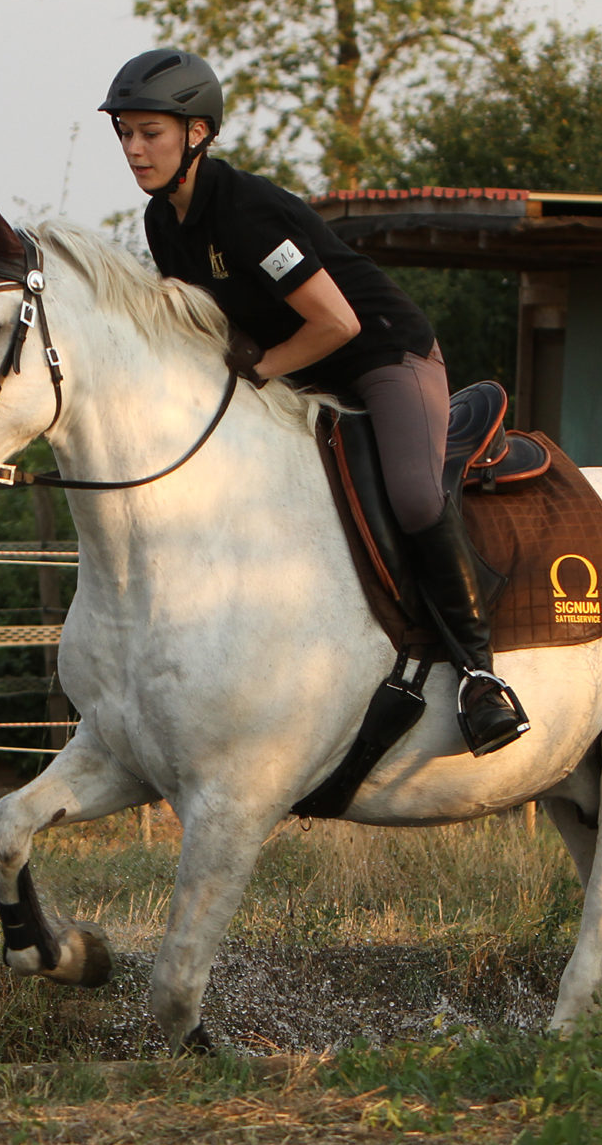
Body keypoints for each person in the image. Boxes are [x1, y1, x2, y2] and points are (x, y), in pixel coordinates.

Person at [100, 48, 528, 755]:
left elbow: (337, 323)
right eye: (126, 134)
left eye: (150, 132)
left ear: (198, 133)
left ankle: (482, 676)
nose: (135, 148)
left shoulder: (246, 212)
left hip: (382, 357)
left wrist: (259, 369)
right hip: (305, 372)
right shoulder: (162, 222)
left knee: (417, 496)